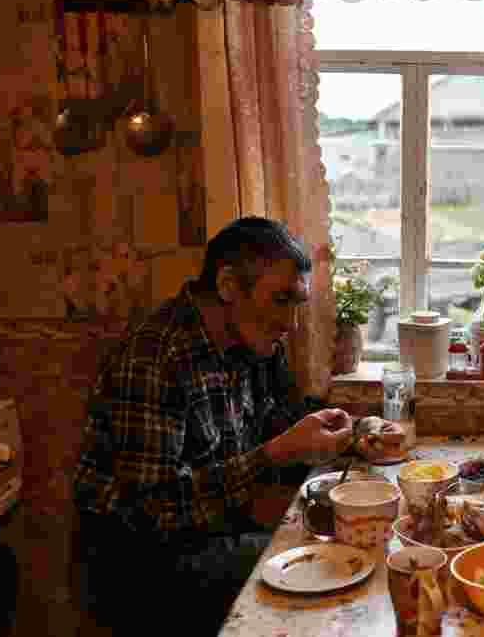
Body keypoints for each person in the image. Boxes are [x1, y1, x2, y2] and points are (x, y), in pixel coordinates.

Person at [73, 216, 404, 636]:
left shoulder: (251, 340)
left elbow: (281, 420)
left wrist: (357, 432)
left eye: (296, 303)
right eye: (281, 299)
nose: (292, 323)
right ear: (228, 285)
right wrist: (276, 453)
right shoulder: (155, 359)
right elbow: (152, 511)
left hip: (217, 530)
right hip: (143, 566)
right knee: (330, 570)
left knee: (358, 551)